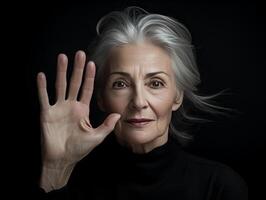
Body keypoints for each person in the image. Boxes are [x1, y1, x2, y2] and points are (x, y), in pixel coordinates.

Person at [37, 6, 248, 200]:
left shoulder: (219, 187)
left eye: (155, 83)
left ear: (177, 96)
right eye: (120, 84)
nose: (138, 102)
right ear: (101, 98)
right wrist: (55, 169)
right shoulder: (71, 184)